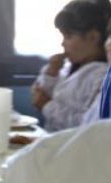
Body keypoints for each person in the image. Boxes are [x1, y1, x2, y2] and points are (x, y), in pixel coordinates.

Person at [31, 0, 111, 132]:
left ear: (93, 37)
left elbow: (86, 126)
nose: (63, 43)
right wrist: (51, 73)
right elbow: (40, 93)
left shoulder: (100, 75)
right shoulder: (69, 67)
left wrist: (47, 105)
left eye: (68, 36)